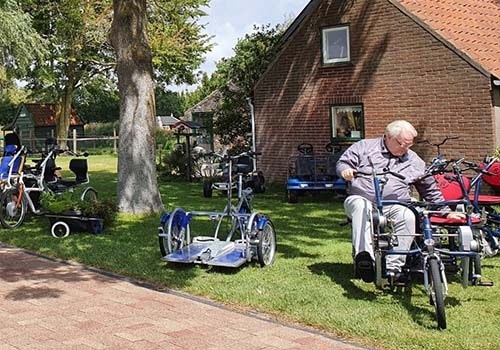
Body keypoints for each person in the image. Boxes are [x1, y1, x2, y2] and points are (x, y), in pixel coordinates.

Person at [336, 120, 463, 283]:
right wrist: (345, 170)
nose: (405, 149)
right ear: (389, 137)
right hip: (361, 198)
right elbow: (343, 163)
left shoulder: (412, 159)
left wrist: (445, 211)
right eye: (402, 144)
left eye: (409, 145)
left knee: (408, 216)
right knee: (362, 207)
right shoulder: (364, 147)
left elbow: (429, 188)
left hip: (395, 204)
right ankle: (364, 259)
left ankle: (393, 268)